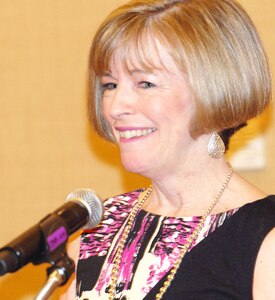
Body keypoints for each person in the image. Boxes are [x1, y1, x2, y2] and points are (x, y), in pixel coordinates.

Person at [61, 0, 275, 299]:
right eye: (109, 85)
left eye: (145, 83)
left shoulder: (265, 239)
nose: (116, 106)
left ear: (214, 88)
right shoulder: (98, 231)